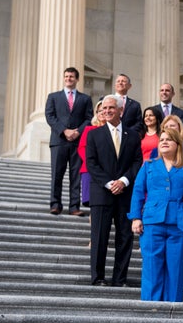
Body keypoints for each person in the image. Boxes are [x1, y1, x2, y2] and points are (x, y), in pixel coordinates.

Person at [129, 128, 183, 302]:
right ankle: (151, 308)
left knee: (176, 268)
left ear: (178, 144)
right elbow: (138, 192)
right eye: (161, 139)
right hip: (152, 223)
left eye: (169, 139)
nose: (164, 142)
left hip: (180, 224)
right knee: (151, 267)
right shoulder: (148, 165)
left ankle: (173, 310)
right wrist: (135, 217)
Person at [86, 95, 143, 286]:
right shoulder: (94, 134)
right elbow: (91, 164)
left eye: (111, 108)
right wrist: (110, 183)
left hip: (126, 194)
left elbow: (137, 161)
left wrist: (124, 181)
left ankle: (120, 279)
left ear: (121, 110)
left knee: (125, 238)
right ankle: (98, 277)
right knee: (99, 237)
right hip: (102, 193)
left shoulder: (133, 135)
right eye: (104, 108)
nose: (107, 111)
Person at [45, 67, 93, 216]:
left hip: (77, 142)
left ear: (77, 79)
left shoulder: (85, 99)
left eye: (71, 77)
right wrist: (64, 131)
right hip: (59, 140)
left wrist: (78, 131)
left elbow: (88, 118)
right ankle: (55, 204)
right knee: (56, 174)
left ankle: (74, 206)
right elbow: (50, 116)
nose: (68, 79)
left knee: (76, 175)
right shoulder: (53, 96)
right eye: (66, 76)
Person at [78, 100, 105, 207]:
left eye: (105, 109)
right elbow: (82, 148)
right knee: (91, 202)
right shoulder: (89, 129)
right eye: (99, 111)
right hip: (89, 169)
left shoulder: (114, 131)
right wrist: (93, 163)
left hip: (107, 170)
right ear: (96, 114)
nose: (102, 112)